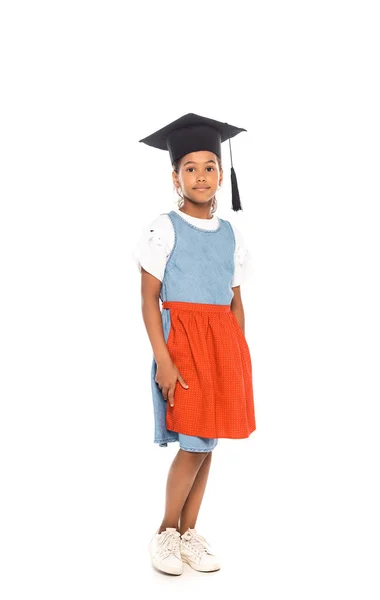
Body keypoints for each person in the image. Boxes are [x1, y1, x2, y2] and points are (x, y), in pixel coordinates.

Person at [133, 113, 256, 576]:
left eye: (209, 166)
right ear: (175, 177)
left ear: (221, 175)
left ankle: (189, 534)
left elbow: (235, 300)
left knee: (207, 443)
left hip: (222, 347)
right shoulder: (164, 228)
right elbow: (149, 299)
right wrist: (163, 361)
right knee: (193, 441)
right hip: (182, 346)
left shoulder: (230, 235)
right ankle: (166, 532)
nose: (201, 175)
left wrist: (237, 354)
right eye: (190, 167)